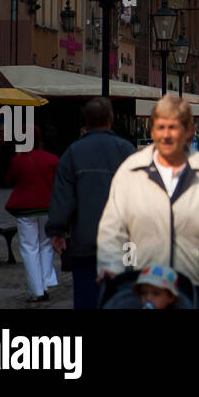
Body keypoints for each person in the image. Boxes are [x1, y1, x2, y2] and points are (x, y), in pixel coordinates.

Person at [97, 96, 199, 308]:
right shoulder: (131, 171)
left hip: (193, 281)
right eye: (160, 127)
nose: (167, 135)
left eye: (174, 127)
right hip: (142, 283)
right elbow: (113, 226)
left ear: (189, 130)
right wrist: (111, 265)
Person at [47, 97, 136, 309]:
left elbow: (62, 196)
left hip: (86, 241)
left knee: (86, 297)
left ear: (86, 121)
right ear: (111, 119)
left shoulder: (73, 153)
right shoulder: (126, 151)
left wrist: (57, 230)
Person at [5, 127, 60, 303]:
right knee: (45, 245)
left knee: (29, 248)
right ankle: (44, 284)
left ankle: (37, 290)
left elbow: (8, 179)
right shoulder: (52, 159)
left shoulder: (18, 160)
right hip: (48, 207)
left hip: (26, 208)